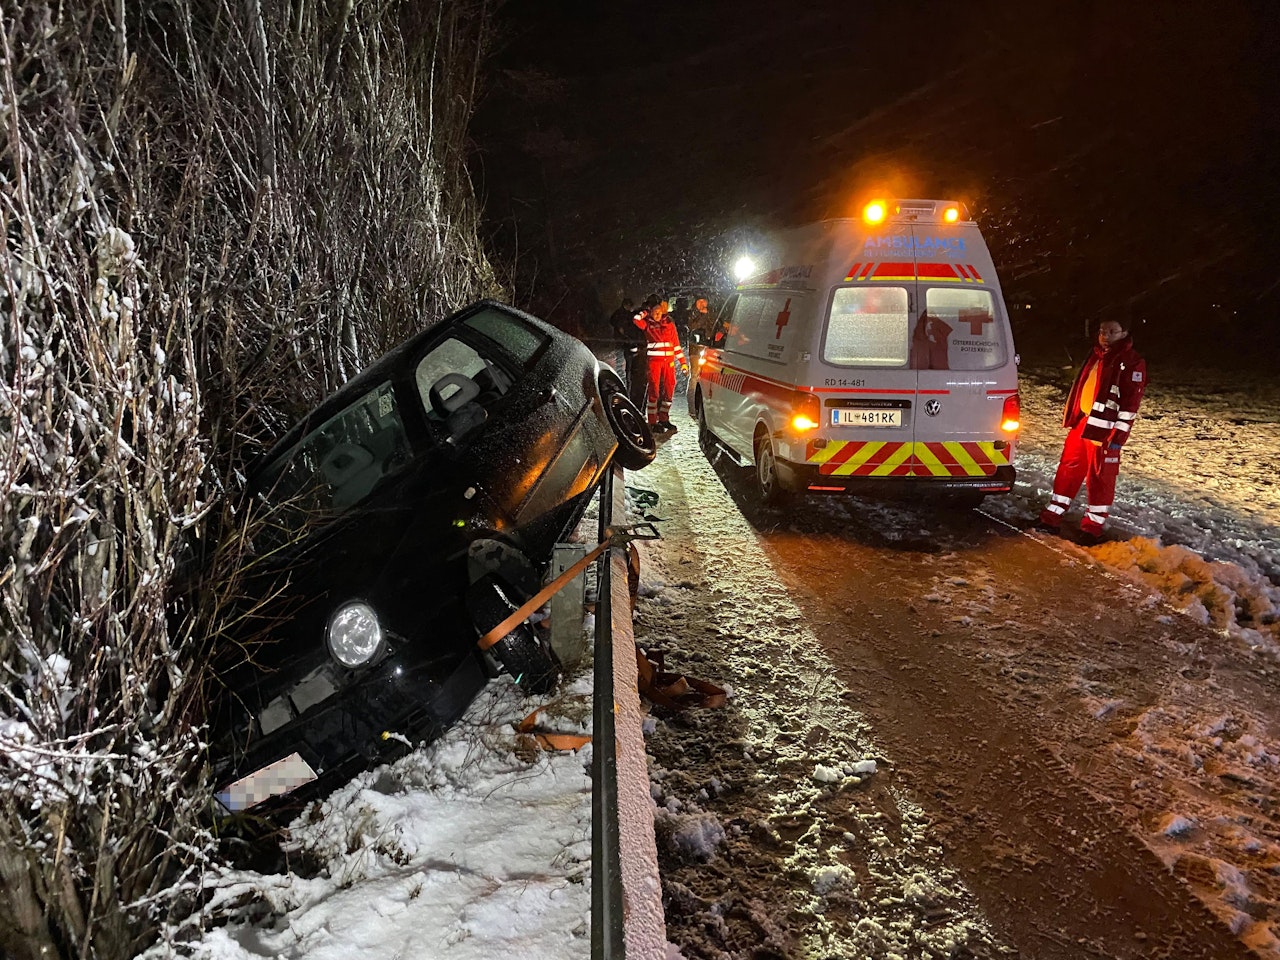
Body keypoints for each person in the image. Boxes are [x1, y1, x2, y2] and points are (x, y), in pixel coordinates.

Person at [1037, 313, 1147, 540]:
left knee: (1100, 478)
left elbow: (1130, 403)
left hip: (1105, 430)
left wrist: (1118, 436)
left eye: (1111, 332)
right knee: (1068, 468)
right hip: (1083, 423)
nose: (1105, 336)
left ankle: (1091, 528)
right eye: (1102, 331)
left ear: (1125, 333)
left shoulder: (1132, 362)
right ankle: (1052, 517)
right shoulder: (1096, 355)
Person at [633, 299, 688, 433]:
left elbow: (676, 344)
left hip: (668, 362)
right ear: (651, 313)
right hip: (654, 363)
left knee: (670, 388)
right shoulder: (647, 324)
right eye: (654, 312)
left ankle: (664, 418)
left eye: (659, 312)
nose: (657, 314)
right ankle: (652, 421)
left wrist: (683, 363)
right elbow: (635, 320)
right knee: (654, 391)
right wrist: (645, 312)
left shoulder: (669, 324)